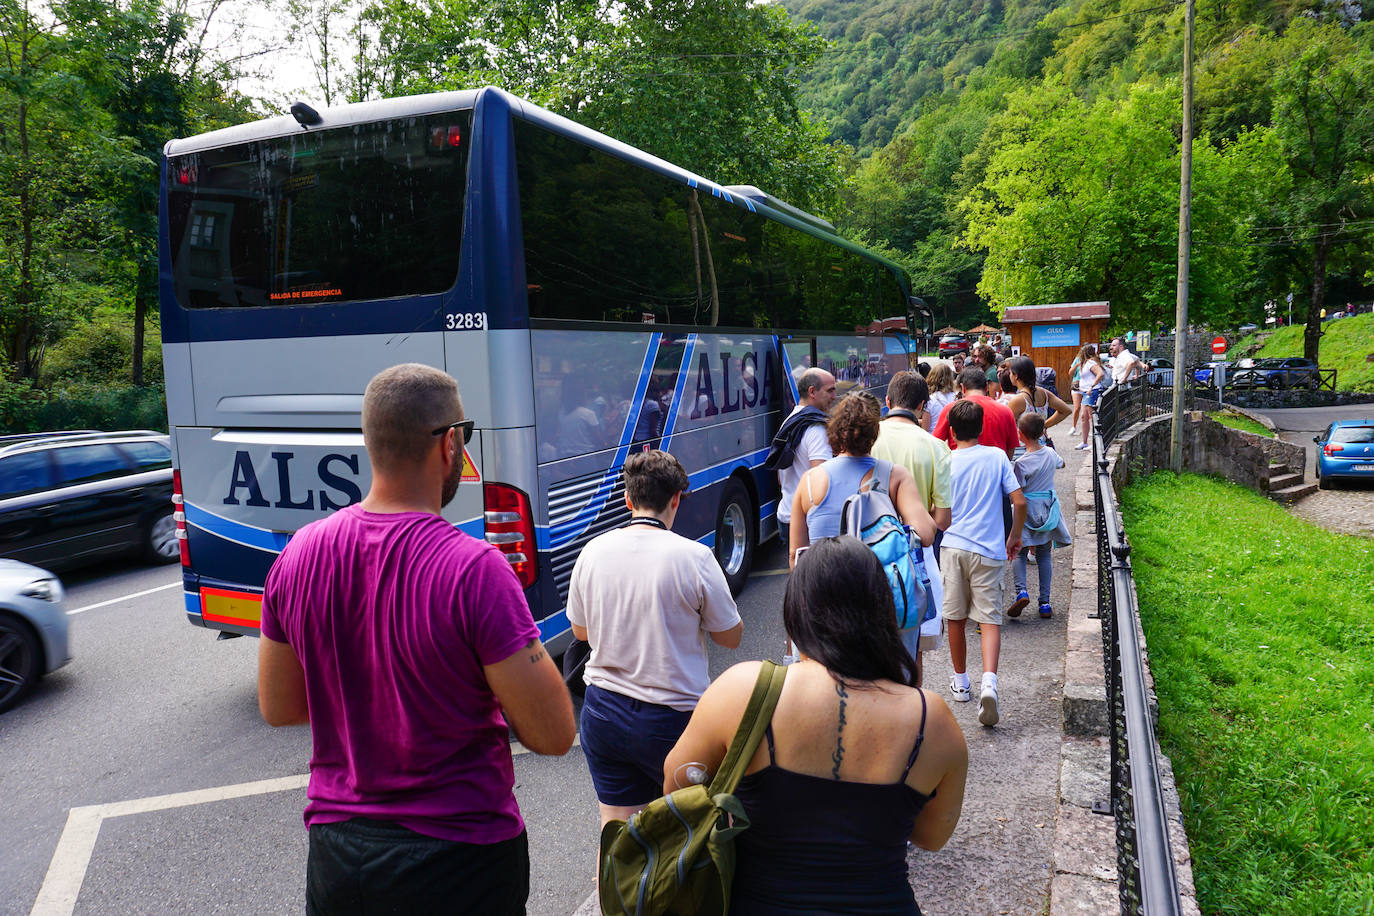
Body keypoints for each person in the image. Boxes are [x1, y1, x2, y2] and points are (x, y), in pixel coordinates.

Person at [258, 363, 575, 915]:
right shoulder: (477, 571)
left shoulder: (298, 555)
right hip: (459, 859)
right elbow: (552, 734)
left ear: (372, 441)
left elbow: (280, 706)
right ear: (449, 444)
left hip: (338, 859)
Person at [663, 537, 968, 916]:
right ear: (883, 612)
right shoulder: (932, 720)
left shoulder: (744, 691)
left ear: (796, 611)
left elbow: (676, 784)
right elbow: (931, 837)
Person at [567, 450, 743, 829]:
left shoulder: (592, 551)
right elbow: (730, 636)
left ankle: (616, 890)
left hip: (602, 712)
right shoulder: (694, 557)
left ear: (628, 499)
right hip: (673, 717)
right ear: (675, 499)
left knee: (616, 830)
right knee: (701, 826)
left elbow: (581, 633)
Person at [940, 398, 1027, 727]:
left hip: (953, 547)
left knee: (955, 618)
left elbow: (941, 511)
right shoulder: (996, 457)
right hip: (989, 550)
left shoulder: (945, 460)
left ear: (951, 431)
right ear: (981, 428)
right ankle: (989, 682)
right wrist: (1014, 536)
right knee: (989, 620)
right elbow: (1019, 501)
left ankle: (961, 682)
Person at [789, 391, 937, 567]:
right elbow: (926, 535)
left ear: (835, 429)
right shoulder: (895, 476)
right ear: (874, 433)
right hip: (876, 586)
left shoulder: (809, 480)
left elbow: (795, 555)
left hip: (823, 586)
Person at [873, 372, 953, 655]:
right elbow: (942, 521)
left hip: (868, 555)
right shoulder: (936, 447)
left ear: (887, 400)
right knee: (912, 649)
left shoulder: (868, 438)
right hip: (914, 557)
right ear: (922, 405)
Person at [1007, 412, 1072, 619]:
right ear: (1043, 432)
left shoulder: (1021, 464)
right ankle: (1044, 602)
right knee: (1044, 555)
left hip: (1026, 510)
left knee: (1019, 551)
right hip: (1047, 510)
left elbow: (1018, 490)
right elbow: (1063, 464)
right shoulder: (1051, 454)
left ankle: (1021, 591)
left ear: (1020, 435)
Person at [766, 368, 837, 546]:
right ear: (812, 391)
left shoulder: (790, 421)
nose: (834, 396)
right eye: (830, 390)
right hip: (808, 521)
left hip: (787, 515)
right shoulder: (816, 429)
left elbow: (780, 477)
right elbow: (821, 483)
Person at [932, 367, 1019, 460]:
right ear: (986, 388)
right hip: (995, 469)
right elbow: (1010, 450)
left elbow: (935, 445)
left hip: (960, 468)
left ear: (962, 388)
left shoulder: (951, 409)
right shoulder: (1005, 411)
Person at [1003, 355, 1071, 455]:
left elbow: (1006, 429)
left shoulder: (1018, 400)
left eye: (1010, 373)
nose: (1009, 376)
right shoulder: (1044, 393)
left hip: (1022, 450)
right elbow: (1066, 410)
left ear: (1016, 375)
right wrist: (1043, 426)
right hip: (1041, 445)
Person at [1075, 344, 1107, 450]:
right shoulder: (1085, 364)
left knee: (1092, 417)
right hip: (1085, 392)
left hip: (1092, 392)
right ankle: (1084, 442)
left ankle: (1095, 442)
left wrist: (1092, 386)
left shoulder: (1090, 363)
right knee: (1084, 417)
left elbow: (1100, 374)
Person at [924, 363, 958, 434]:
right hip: (952, 439)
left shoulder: (930, 400)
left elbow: (925, 429)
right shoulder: (956, 397)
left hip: (934, 439)